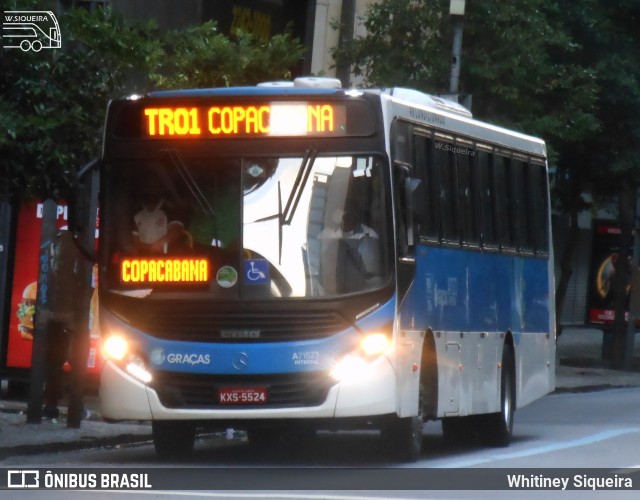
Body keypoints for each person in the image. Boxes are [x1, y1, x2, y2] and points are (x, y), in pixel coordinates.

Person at [131, 173, 185, 254]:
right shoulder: (136, 210)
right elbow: (135, 242)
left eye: (154, 186)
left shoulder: (169, 208)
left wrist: (161, 243)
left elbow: (176, 229)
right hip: (141, 261)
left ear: (160, 188)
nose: (151, 189)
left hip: (165, 259)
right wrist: (151, 248)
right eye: (148, 186)